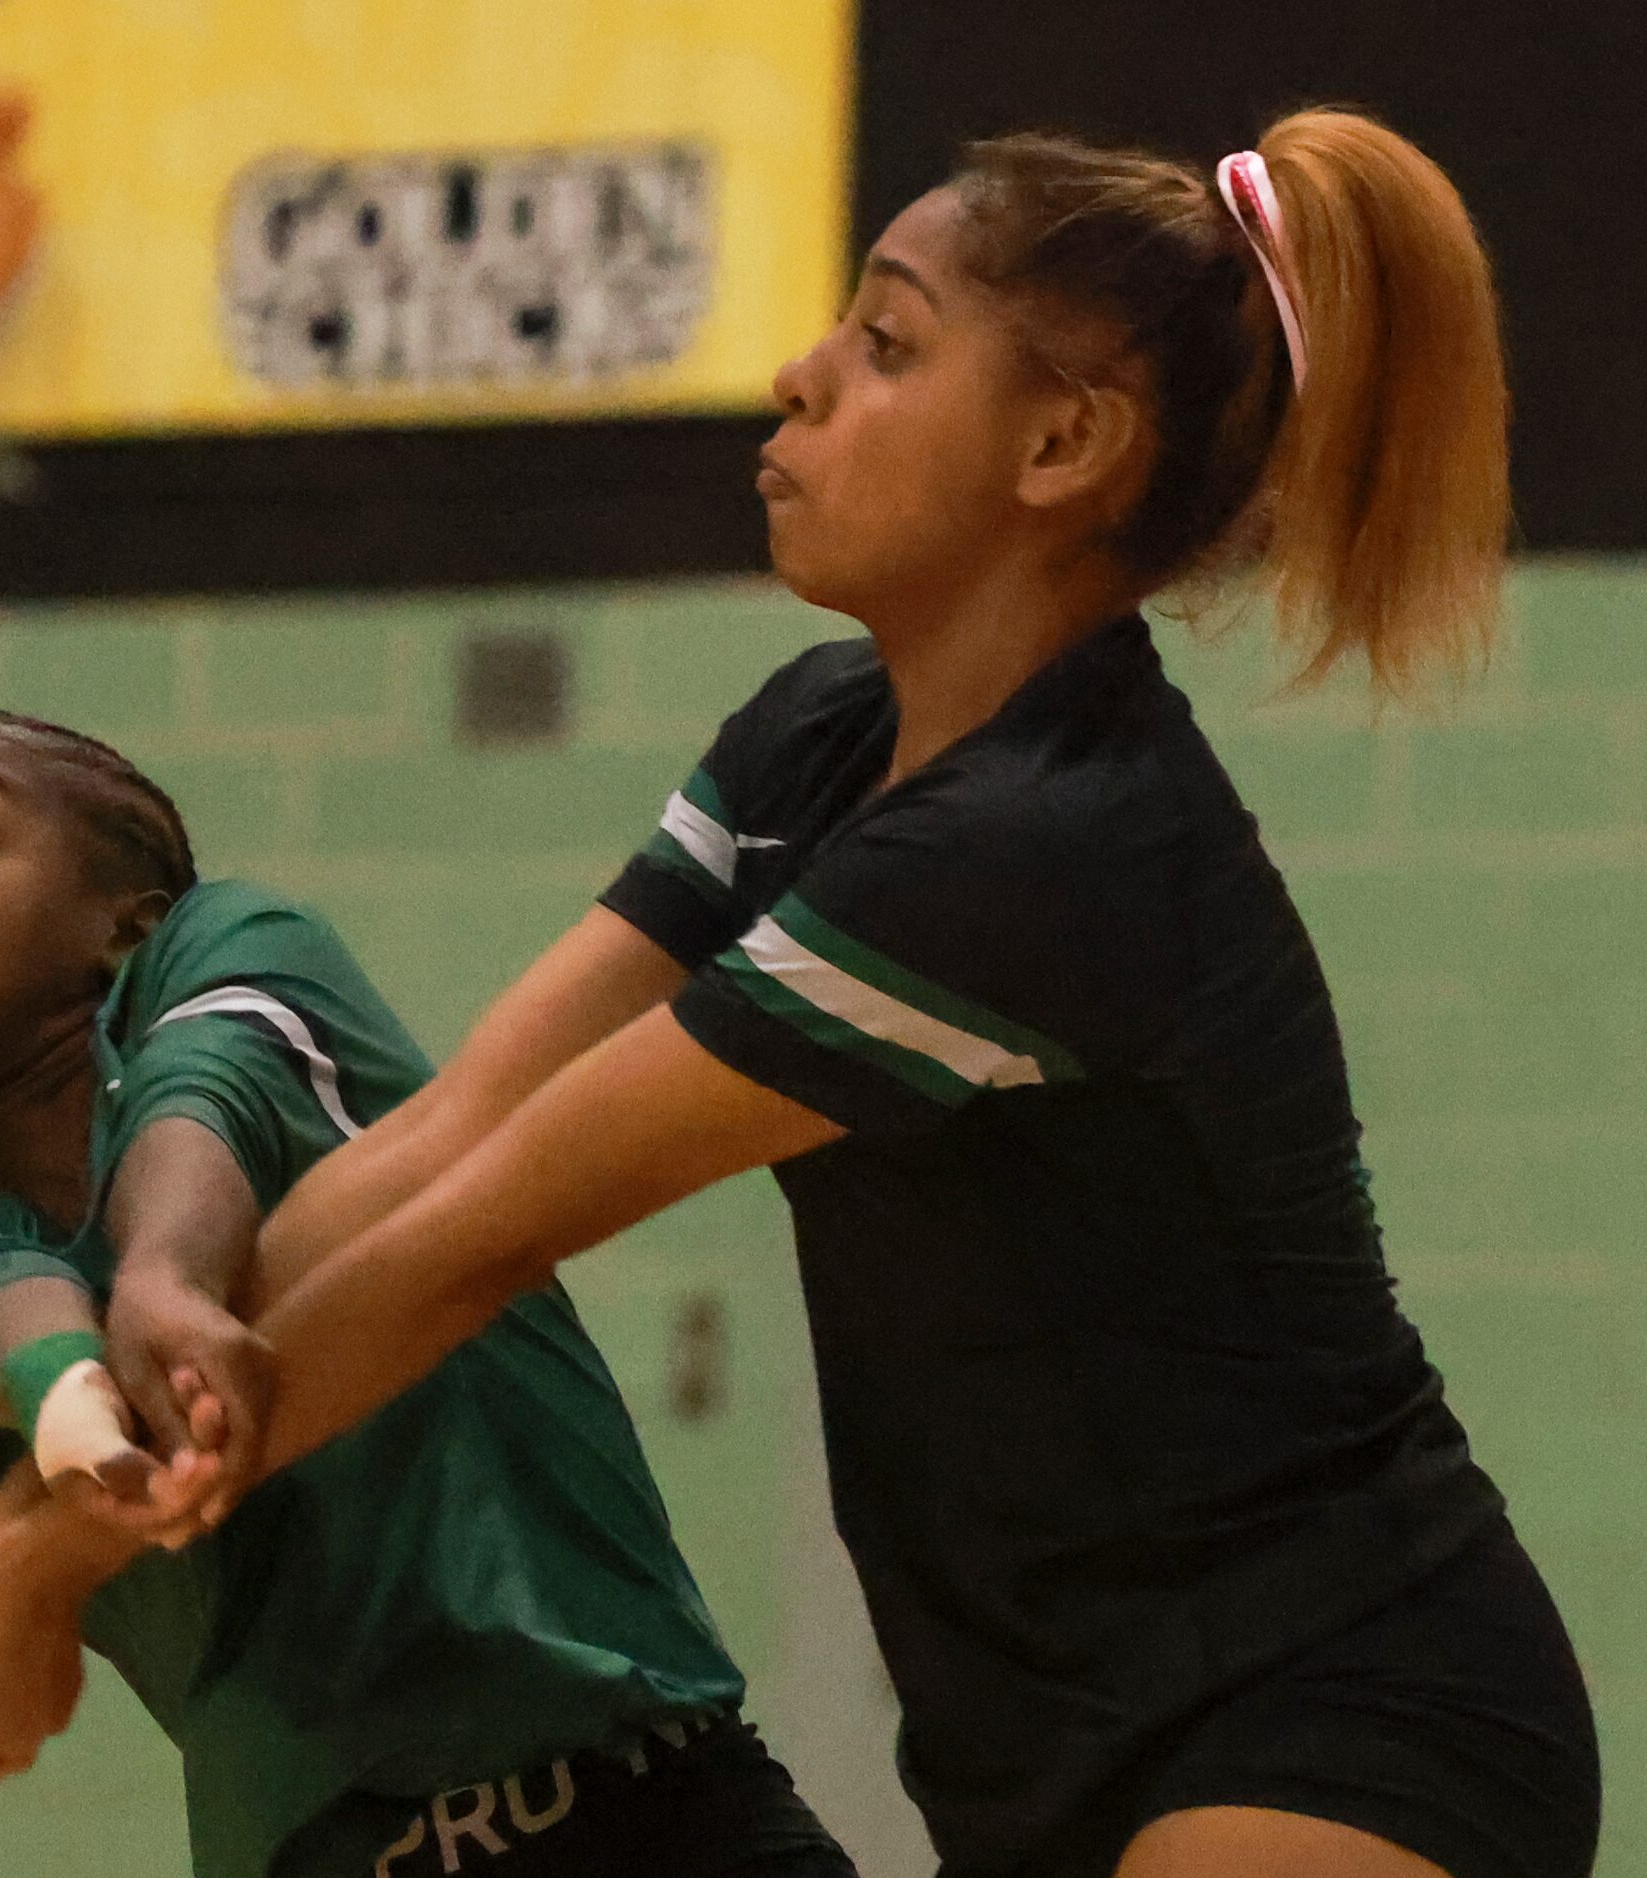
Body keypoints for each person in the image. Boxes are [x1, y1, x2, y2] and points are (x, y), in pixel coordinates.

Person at [111, 114, 1604, 1878]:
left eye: (885, 341)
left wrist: (37, 1558)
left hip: (1344, 1711)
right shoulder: (817, 738)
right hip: (1031, 1764)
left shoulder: (1041, 845)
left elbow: (485, 1236)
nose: (795, 376)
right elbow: (454, 1134)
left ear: (1063, 442)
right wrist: (118, 1358)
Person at [0, 709, 857, 1878]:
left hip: (654, 1816)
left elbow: (215, 1080)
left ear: (124, 926)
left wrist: (166, 1277)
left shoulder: (239, 939)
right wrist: (72, 1399)